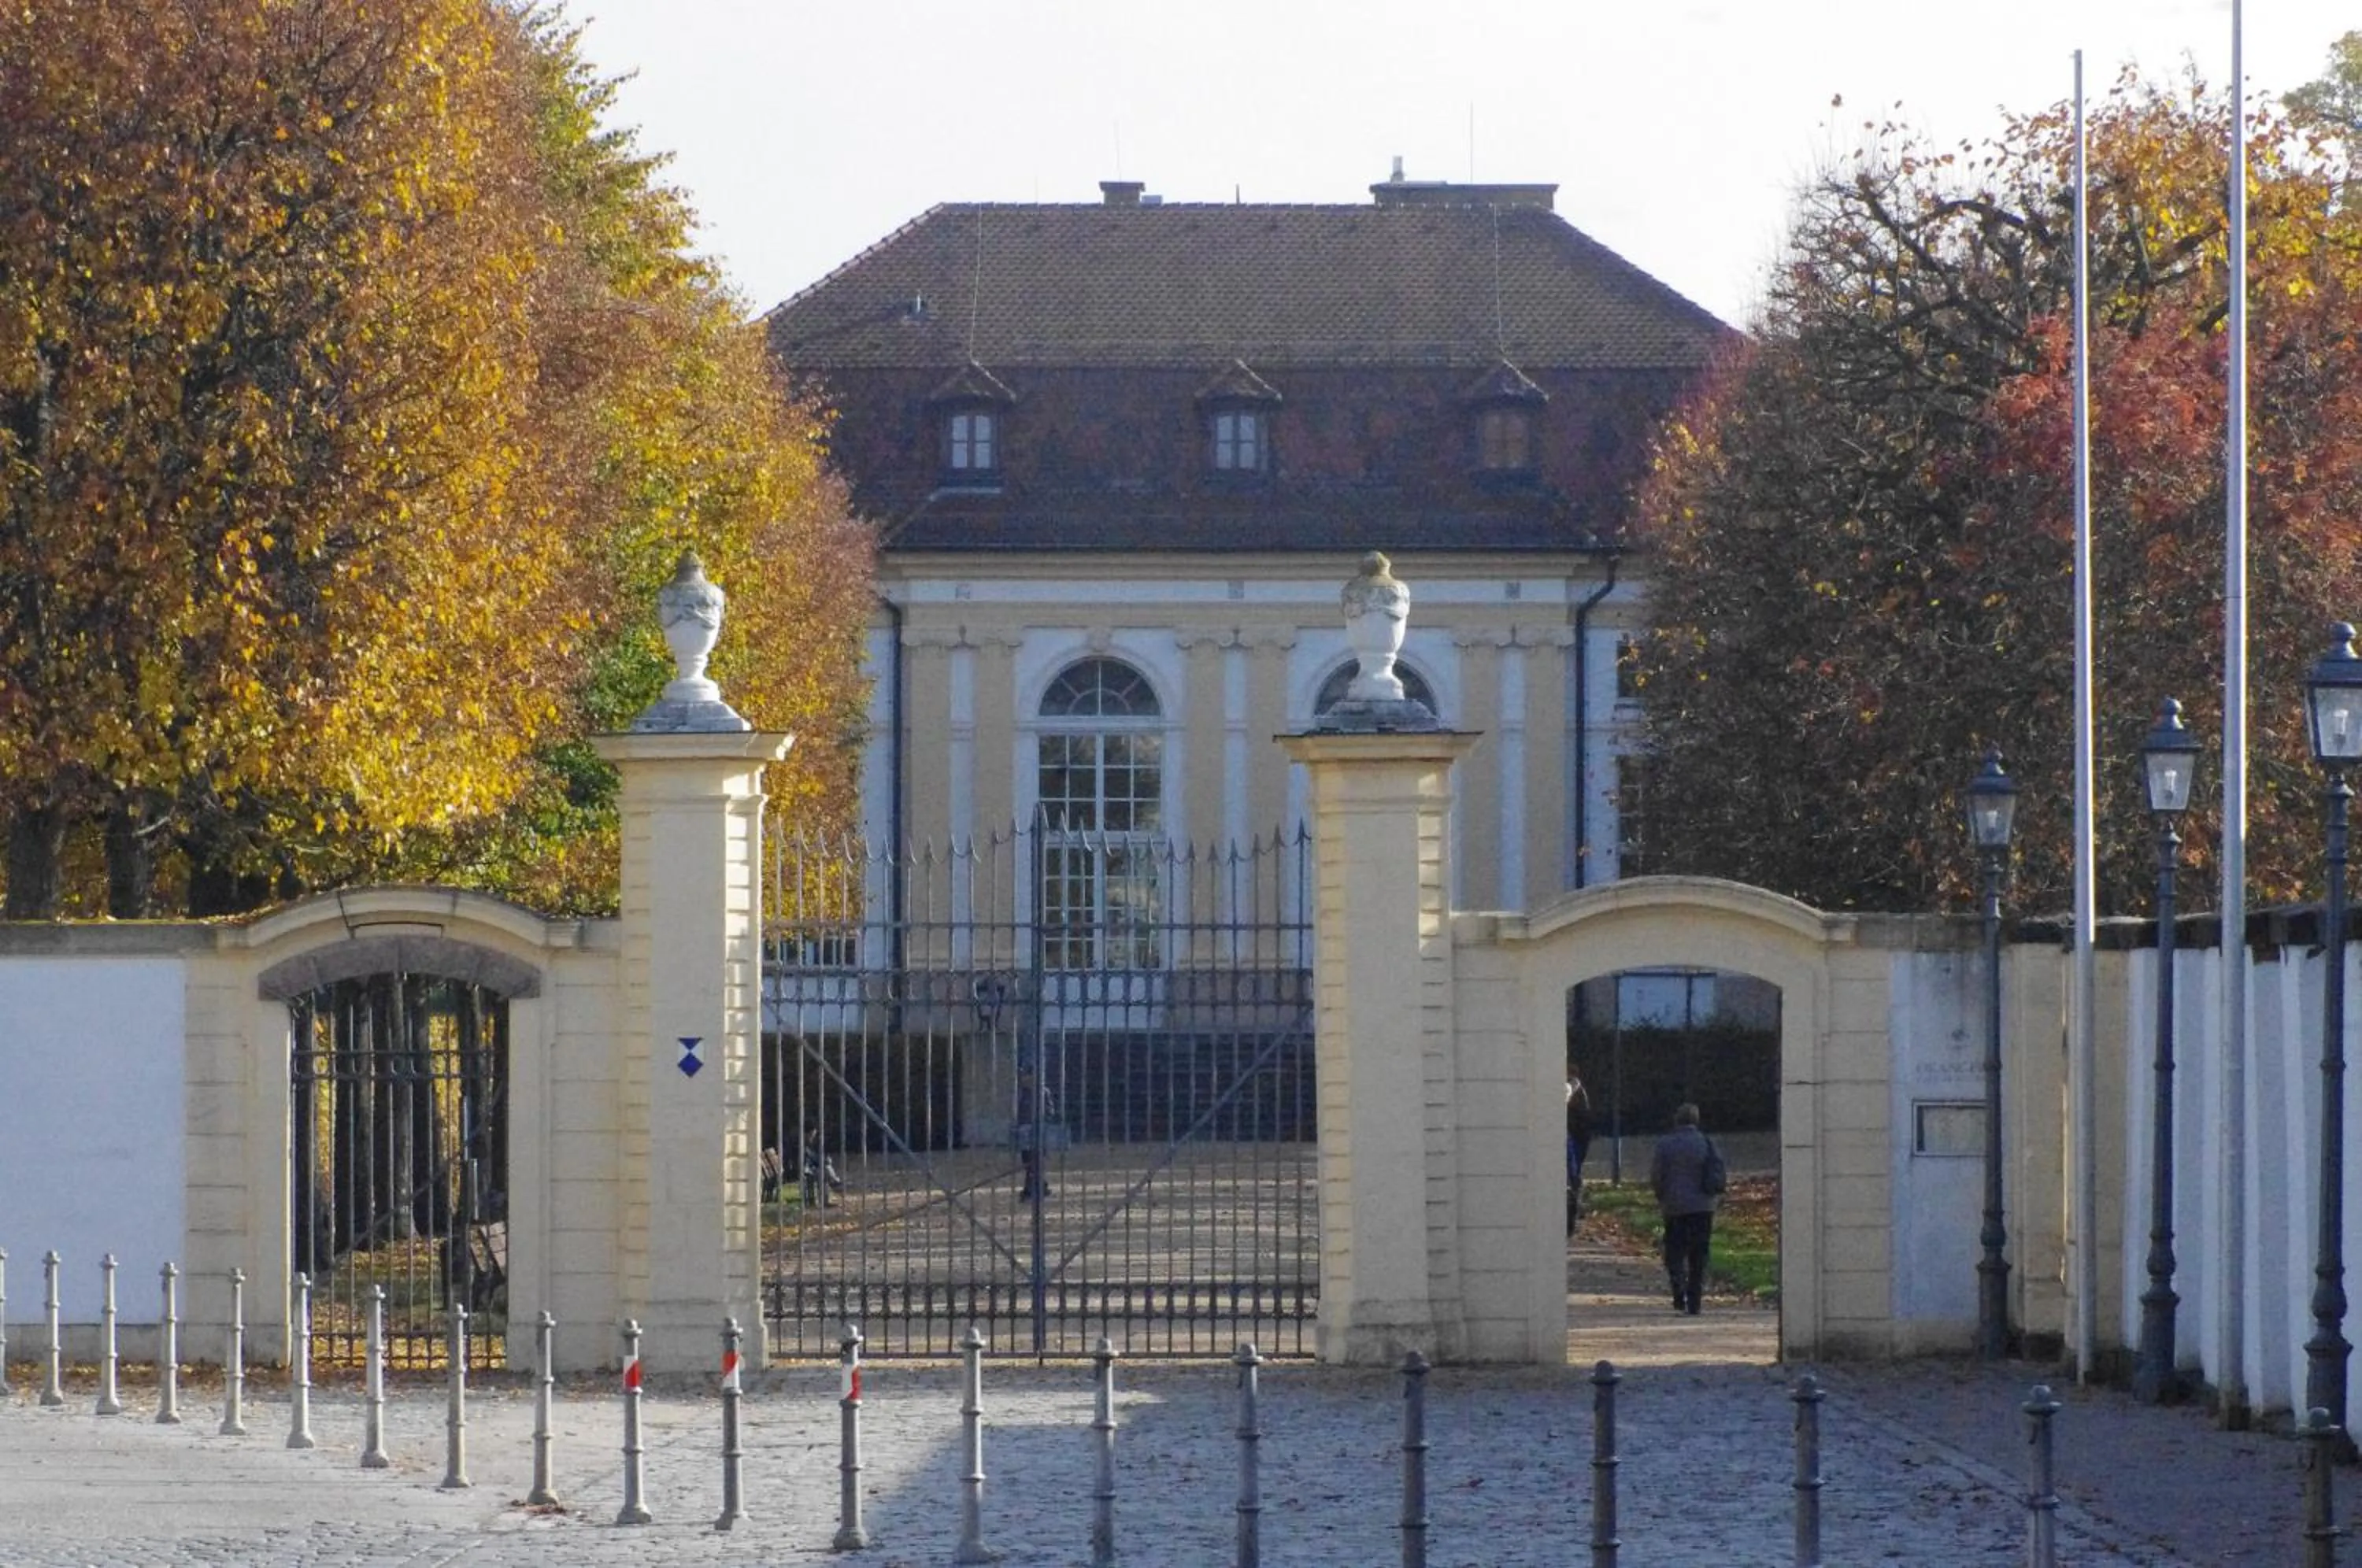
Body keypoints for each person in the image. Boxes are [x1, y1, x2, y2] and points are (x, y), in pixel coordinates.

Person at [1649, 1102, 1718, 1315]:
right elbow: (1717, 1170)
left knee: (1675, 1252)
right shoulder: (1706, 1142)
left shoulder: (1665, 1144)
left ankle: (1678, 1291)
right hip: (1703, 1206)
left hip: (1675, 1206)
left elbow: (1657, 1175)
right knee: (1699, 1253)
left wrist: (1662, 1196)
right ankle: (1695, 1299)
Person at [1565, 1074, 1595, 1232]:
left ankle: (1573, 1201)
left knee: (1572, 1174)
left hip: (1572, 1137)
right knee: (1573, 1175)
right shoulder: (1575, 1092)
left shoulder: (1572, 1090)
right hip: (1572, 1138)